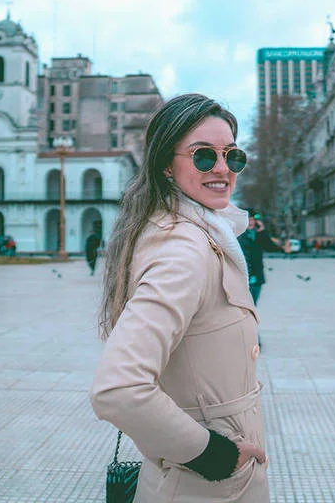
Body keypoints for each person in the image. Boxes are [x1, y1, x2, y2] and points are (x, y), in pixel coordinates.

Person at [90, 94, 269, 502]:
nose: (222, 168)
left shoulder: (202, 232)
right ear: (166, 166)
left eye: (232, 156)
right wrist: (215, 455)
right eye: (203, 156)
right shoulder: (184, 250)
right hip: (204, 488)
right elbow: (119, 388)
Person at [238, 210, 281, 307]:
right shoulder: (238, 235)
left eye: (252, 220)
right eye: (248, 220)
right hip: (243, 276)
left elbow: (271, 248)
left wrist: (262, 232)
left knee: (253, 305)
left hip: (257, 276)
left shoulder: (259, 235)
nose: (250, 222)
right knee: (243, 306)